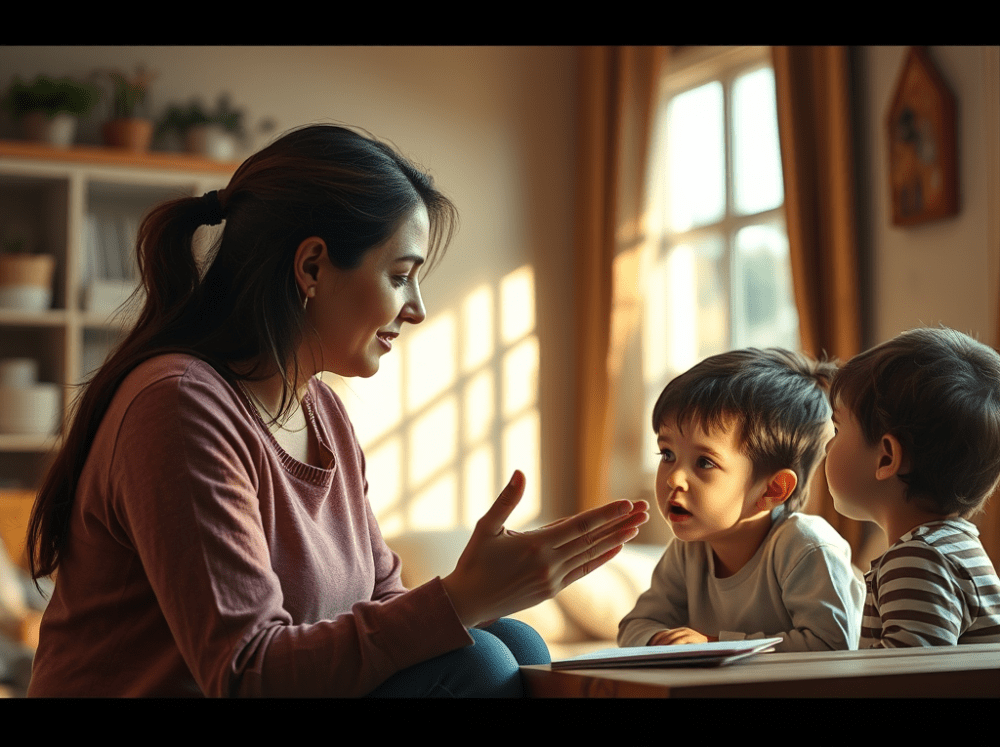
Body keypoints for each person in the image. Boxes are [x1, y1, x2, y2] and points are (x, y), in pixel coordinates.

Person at [25, 124, 649, 697]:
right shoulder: (180, 405)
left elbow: (379, 599)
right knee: (479, 662)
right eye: (401, 275)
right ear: (313, 266)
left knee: (514, 641)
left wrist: (485, 593)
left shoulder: (320, 407)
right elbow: (246, 674)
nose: (418, 308)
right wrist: (459, 598)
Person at [618, 348, 864, 652]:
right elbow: (634, 626)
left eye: (704, 463)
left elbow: (833, 644)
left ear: (772, 490)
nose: (673, 478)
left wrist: (714, 645)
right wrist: (659, 639)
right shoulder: (688, 552)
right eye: (667, 454)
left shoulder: (806, 547)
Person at [825, 326, 1000, 647]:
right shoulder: (950, 546)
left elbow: (910, 685)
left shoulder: (917, 561)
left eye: (837, 428)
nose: (826, 447)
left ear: (887, 458)